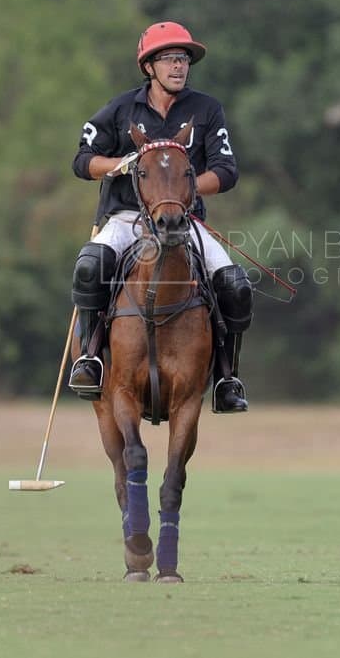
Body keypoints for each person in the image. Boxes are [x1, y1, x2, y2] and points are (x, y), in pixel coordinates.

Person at [67, 21, 250, 413]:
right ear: (149, 66)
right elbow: (82, 160)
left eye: (183, 59)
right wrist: (119, 165)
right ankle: (91, 358)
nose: (178, 67)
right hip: (127, 218)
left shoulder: (206, 109)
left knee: (235, 284)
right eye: (168, 59)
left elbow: (226, 170)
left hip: (182, 222)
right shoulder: (120, 109)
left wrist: (178, 193)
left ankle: (226, 377)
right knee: (90, 264)